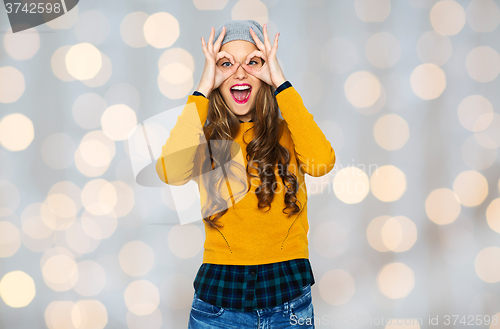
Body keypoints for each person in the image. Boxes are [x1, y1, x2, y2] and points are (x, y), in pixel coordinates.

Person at [156, 19, 336, 329]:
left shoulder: (289, 133)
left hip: (288, 297)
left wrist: (280, 82)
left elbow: (322, 162)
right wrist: (201, 89)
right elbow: (170, 171)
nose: (240, 72)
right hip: (219, 304)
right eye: (226, 63)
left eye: (253, 62)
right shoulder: (206, 138)